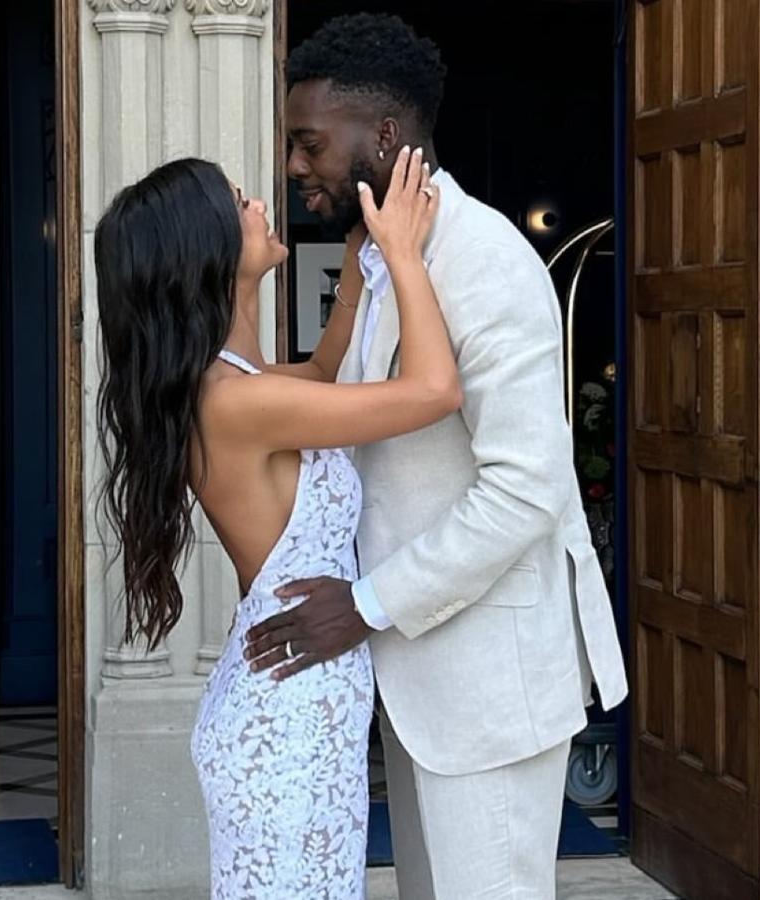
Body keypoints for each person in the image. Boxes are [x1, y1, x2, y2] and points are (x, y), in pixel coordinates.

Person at [241, 13, 629, 898]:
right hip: (423, 680)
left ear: (383, 135)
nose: (296, 166)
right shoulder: (387, 258)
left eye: (309, 143)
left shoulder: (483, 260)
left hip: (488, 679)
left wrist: (366, 605)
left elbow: (525, 488)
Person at [93, 148, 453, 898]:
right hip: (286, 723)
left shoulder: (242, 384)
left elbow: (323, 375)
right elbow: (433, 390)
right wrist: (404, 253)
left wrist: (357, 268)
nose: (260, 204)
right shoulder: (234, 402)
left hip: (295, 706)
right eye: (238, 200)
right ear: (209, 248)